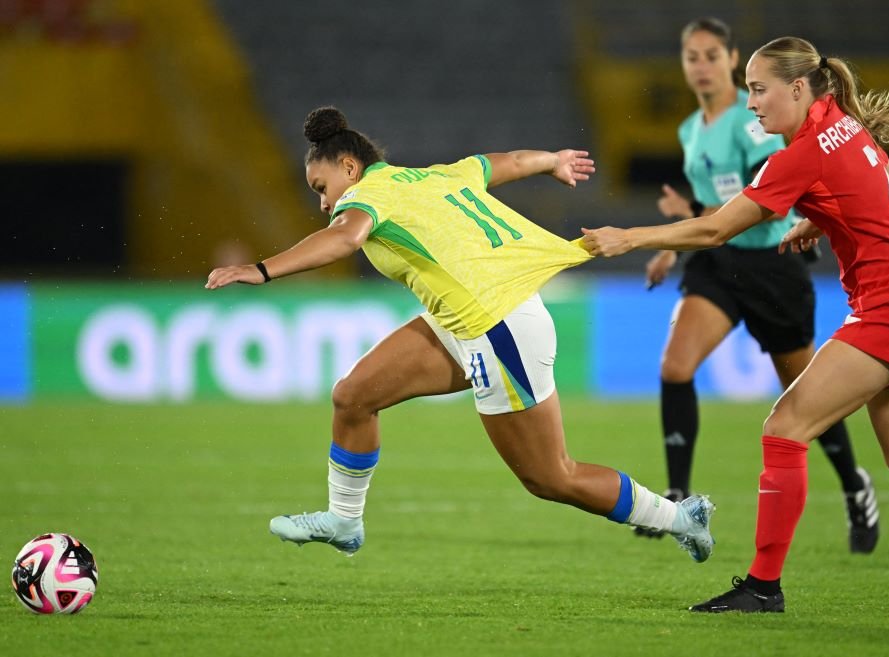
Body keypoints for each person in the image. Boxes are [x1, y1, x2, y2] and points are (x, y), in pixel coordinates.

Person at [205, 106, 715, 564]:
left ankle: (680, 518)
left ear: (349, 168)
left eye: (322, 188)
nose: (323, 203)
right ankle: (344, 520)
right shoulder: (435, 176)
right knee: (353, 397)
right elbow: (506, 161)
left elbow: (345, 237)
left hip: (499, 328)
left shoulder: (365, 197)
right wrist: (551, 160)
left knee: (550, 476)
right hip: (468, 321)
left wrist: (262, 269)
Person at [582, 36, 889, 612]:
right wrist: (825, 219)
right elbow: (886, 175)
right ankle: (764, 586)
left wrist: (630, 237)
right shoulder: (839, 121)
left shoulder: (802, 152)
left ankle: (763, 587)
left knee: (785, 427)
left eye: (758, 89)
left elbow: (716, 229)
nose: (751, 104)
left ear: (797, 88)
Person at [637, 18, 878, 554]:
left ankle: (853, 484)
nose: (700, 65)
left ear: (731, 58)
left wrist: (680, 222)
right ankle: (677, 501)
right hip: (718, 266)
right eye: (691, 56)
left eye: (710, 55)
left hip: (771, 266)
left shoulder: (755, 128)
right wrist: (671, 246)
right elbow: (711, 217)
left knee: (807, 397)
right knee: (675, 367)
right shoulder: (689, 129)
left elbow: (749, 207)